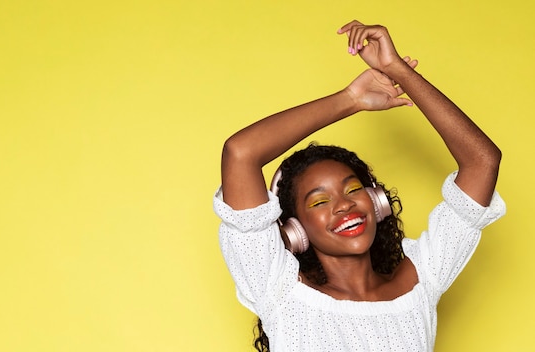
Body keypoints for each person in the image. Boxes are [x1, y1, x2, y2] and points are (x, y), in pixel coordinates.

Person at [213, 20, 506, 351]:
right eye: (318, 202)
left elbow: (483, 162)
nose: (343, 205)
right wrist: (350, 98)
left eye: (353, 190)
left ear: (376, 201)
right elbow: (240, 154)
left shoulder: (422, 283)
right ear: (295, 229)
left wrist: (399, 71)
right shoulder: (278, 290)